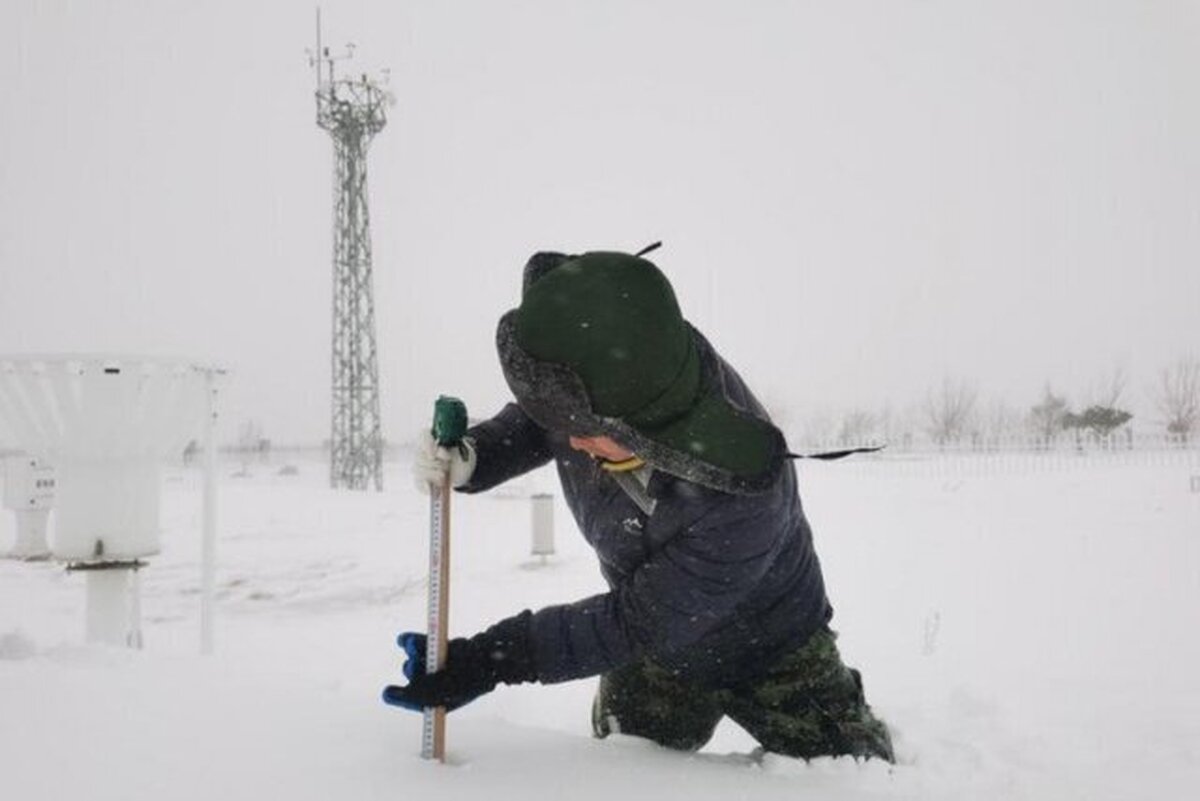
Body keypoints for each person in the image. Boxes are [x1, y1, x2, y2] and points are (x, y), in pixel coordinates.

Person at [383, 247, 894, 762]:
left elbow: (633, 622)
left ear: (648, 428)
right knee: (627, 771)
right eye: (567, 424)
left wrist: (491, 659)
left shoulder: (741, 499)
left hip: (771, 646)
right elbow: (546, 417)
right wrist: (477, 456)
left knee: (855, 779)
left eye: (587, 433)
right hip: (658, 659)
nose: (573, 442)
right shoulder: (604, 383)